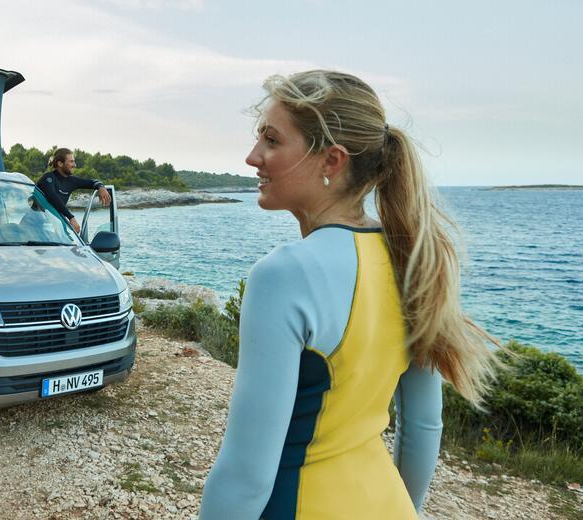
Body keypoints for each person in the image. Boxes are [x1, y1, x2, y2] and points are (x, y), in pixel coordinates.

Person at [199, 71, 498, 520]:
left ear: (331, 161)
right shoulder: (411, 259)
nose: (252, 156)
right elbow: (421, 427)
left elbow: (246, 476)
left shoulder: (284, 275)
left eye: (272, 140)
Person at [36, 148, 111, 234]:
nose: (74, 165)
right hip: (33, 225)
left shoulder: (71, 181)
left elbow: (93, 182)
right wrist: (71, 217)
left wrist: (101, 187)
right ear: (60, 163)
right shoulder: (48, 178)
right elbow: (52, 197)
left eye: (74, 161)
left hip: (52, 227)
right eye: (71, 161)